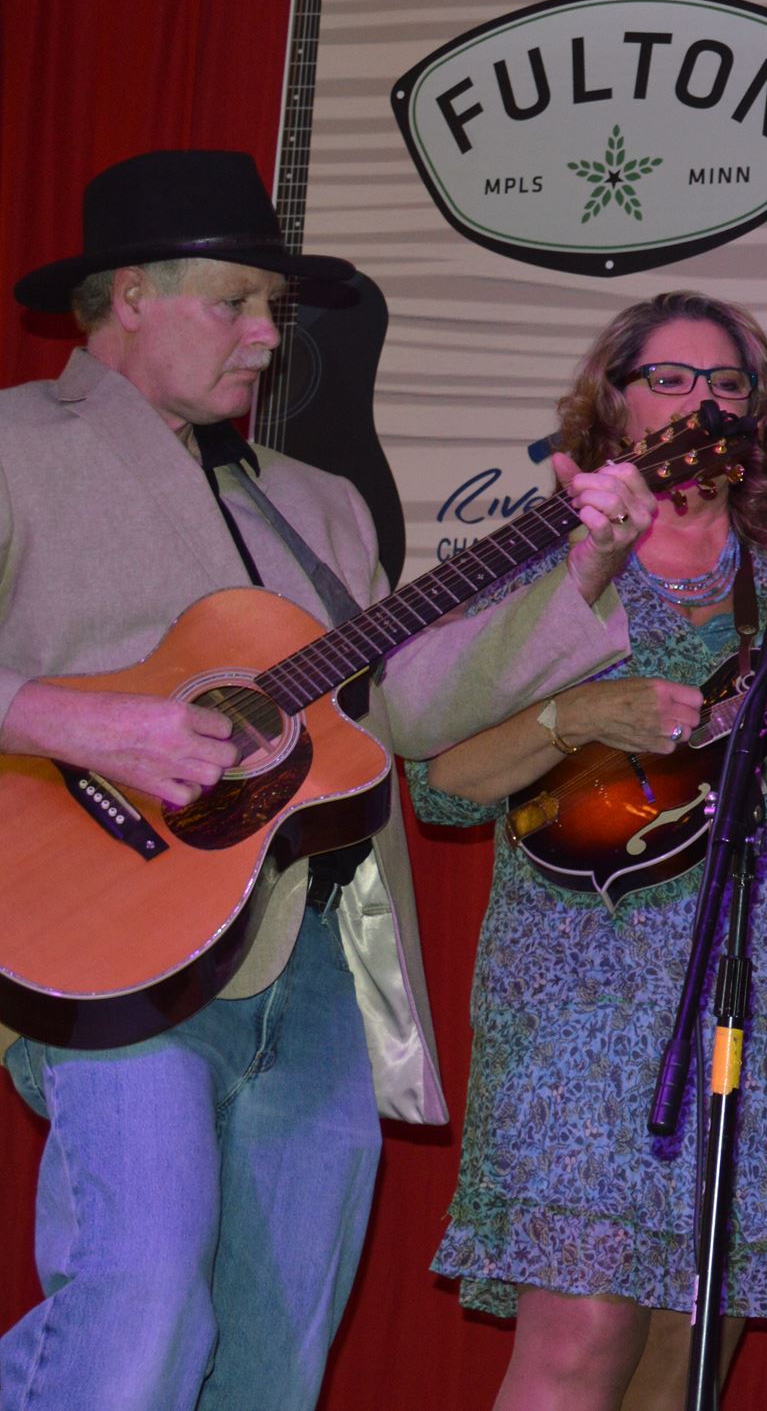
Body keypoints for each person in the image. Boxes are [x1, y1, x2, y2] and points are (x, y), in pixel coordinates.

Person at [0, 148, 645, 1411]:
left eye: (273, 313)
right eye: (236, 302)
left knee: (273, 1359)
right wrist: (80, 723)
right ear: (127, 295)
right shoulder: (19, 443)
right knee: (136, 1327)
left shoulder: (321, 504)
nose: (265, 339)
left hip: (316, 962)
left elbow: (395, 709)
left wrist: (574, 577)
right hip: (111, 941)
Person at [400, 291, 767, 1411]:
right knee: (580, 1340)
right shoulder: (544, 576)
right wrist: (579, 717)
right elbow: (441, 788)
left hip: (754, 1010)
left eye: (730, 383)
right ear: (613, 403)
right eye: (673, 379)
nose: (706, 401)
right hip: (574, 1006)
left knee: (682, 1358)